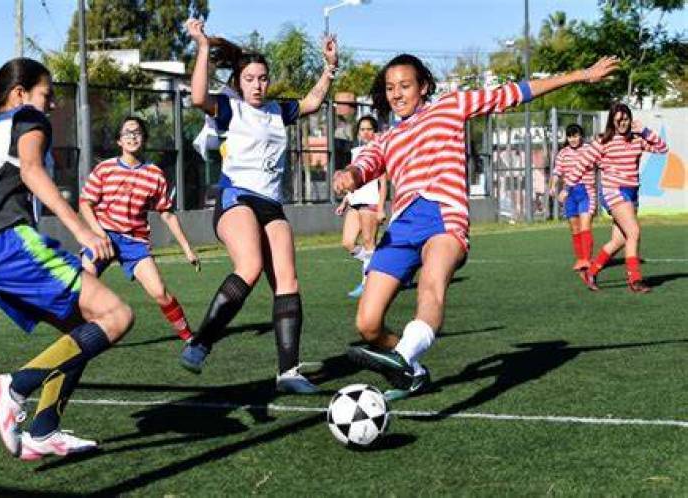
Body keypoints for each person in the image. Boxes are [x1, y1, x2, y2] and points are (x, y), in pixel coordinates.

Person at [333, 54, 619, 400]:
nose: (397, 94)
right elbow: (366, 164)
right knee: (367, 324)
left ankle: (404, 355)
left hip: (445, 217)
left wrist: (579, 74)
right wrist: (349, 175)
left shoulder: (450, 106)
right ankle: (411, 369)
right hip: (403, 225)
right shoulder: (386, 138)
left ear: (423, 86)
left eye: (405, 86)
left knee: (430, 284)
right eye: (390, 88)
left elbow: (516, 92)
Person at [0, 58, 133, 459]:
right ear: (20, 94)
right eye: (47, 94)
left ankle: (44, 431)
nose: (52, 104)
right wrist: (84, 231)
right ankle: (12, 388)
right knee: (116, 316)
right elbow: (31, 171)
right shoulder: (26, 118)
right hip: (3, 243)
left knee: (81, 329)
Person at [179, 19, 339, 393]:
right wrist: (202, 46)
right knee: (249, 266)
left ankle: (288, 372)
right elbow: (199, 96)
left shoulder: (277, 111)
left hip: (270, 203)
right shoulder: (230, 108)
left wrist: (330, 67)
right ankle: (200, 342)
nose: (257, 84)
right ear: (238, 81)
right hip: (236, 197)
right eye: (250, 78)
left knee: (288, 279)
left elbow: (313, 101)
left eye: (262, 78)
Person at [79, 116, 200, 341]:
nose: (132, 136)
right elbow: (85, 203)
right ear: (119, 141)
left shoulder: (154, 174)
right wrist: (98, 233)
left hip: (134, 243)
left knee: (160, 293)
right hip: (103, 236)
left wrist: (187, 248)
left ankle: (189, 338)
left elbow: (166, 213)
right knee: (82, 286)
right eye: (127, 133)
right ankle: (83, 338)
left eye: (137, 132)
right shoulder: (105, 169)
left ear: (143, 139)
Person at [575, 102, 668, 293]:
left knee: (619, 240)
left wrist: (644, 131)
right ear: (612, 121)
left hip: (632, 192)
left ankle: (591, 272)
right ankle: (635, 280)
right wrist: (567, 187)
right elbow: (583, 163)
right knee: (633, 232)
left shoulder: (637, 139)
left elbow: (662, 148)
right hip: (613, 190)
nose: (623, 123)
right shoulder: (603, 141)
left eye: (625, 119)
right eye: (618, 120)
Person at [335, 115, 387, 298]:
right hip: (355, 203)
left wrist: (381, 208)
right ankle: (380, 264)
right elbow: (352, 182)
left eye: (369, 129)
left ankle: (367, 284)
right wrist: (344, 201)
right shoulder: (356, 151)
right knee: (347, 242)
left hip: (370, 203)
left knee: (368, 243)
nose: (366, 132)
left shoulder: (377, 150)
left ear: (375, 131)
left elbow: (383, 183)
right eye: (362, 129)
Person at [548, 123, 596, 276]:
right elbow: (557, 172)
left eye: (576, 135)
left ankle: (587, 259)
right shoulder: (563, 153)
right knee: (574, 228)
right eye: (570, 136)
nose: (573, 139)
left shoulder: (589, 150)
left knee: (585, 226)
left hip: (586, 191)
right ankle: (580, 259)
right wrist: (552, 186)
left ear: (581, 135)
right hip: (569, 195)